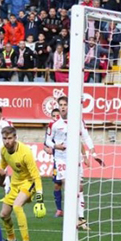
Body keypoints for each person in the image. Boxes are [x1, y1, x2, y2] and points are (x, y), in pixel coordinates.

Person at [44, 96, 102, 230]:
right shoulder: (54, 124)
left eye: (65, 104)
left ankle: (81, 219)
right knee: (66, 184)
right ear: (58, 107)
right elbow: (47, 141)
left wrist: (92, 153)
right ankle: (71, 218)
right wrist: (56, 146)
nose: (63, 107)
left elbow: (85, 137)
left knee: (79, 188)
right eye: (61, 105)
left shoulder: (78, 121)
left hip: (75, 158)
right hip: (61, 158)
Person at [0, 126, 45, 241]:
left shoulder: (25, 152)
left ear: (15, 138)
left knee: (17, 206)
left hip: (28, 182)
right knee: (4, 214)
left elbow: (36, 175)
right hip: (15, 184)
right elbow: (1, 167)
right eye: (5, 138)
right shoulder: (3, 150)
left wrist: (40, 198)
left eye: (10, 138)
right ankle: (11, 238)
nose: (7, 141)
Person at [43, 108, 63, 216]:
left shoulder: (65, 127)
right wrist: (48, 149)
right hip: (57, 160)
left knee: (70, 185)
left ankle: (73, 210)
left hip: (68, 160)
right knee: (57, 185)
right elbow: (45, 146)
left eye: (57, 115)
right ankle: (59, 209)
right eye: (54, 115)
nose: (56, 117)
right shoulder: (50, 129)